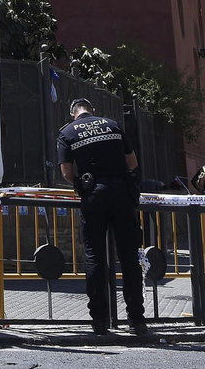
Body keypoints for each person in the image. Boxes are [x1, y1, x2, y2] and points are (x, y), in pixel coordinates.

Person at [56, 98, 150, 339]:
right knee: (129, 258)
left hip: (93, 197)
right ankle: (136, 320)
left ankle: (99, 321)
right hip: (122, 195)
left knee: (94, 257)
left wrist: (81, 184)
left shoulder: (67, 132)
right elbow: (133, 162)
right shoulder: (113, 125)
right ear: (93, 111)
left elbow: (66, 172)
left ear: (73, 114)